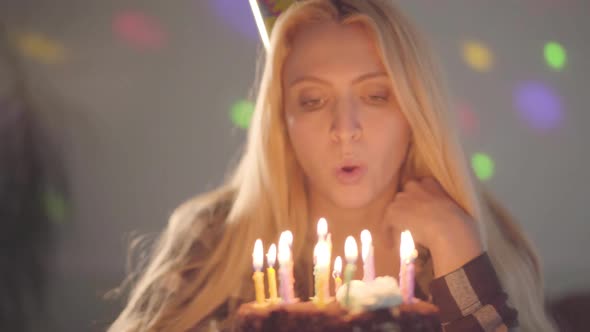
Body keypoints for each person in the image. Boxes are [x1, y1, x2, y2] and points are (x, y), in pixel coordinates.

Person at [109, 1, 556, 331]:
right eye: (313, 100)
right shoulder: (213, 241)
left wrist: (460, 258)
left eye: (376, 95)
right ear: (282, 121)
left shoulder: (480, 235)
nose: (345, 129)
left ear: (414, 113)